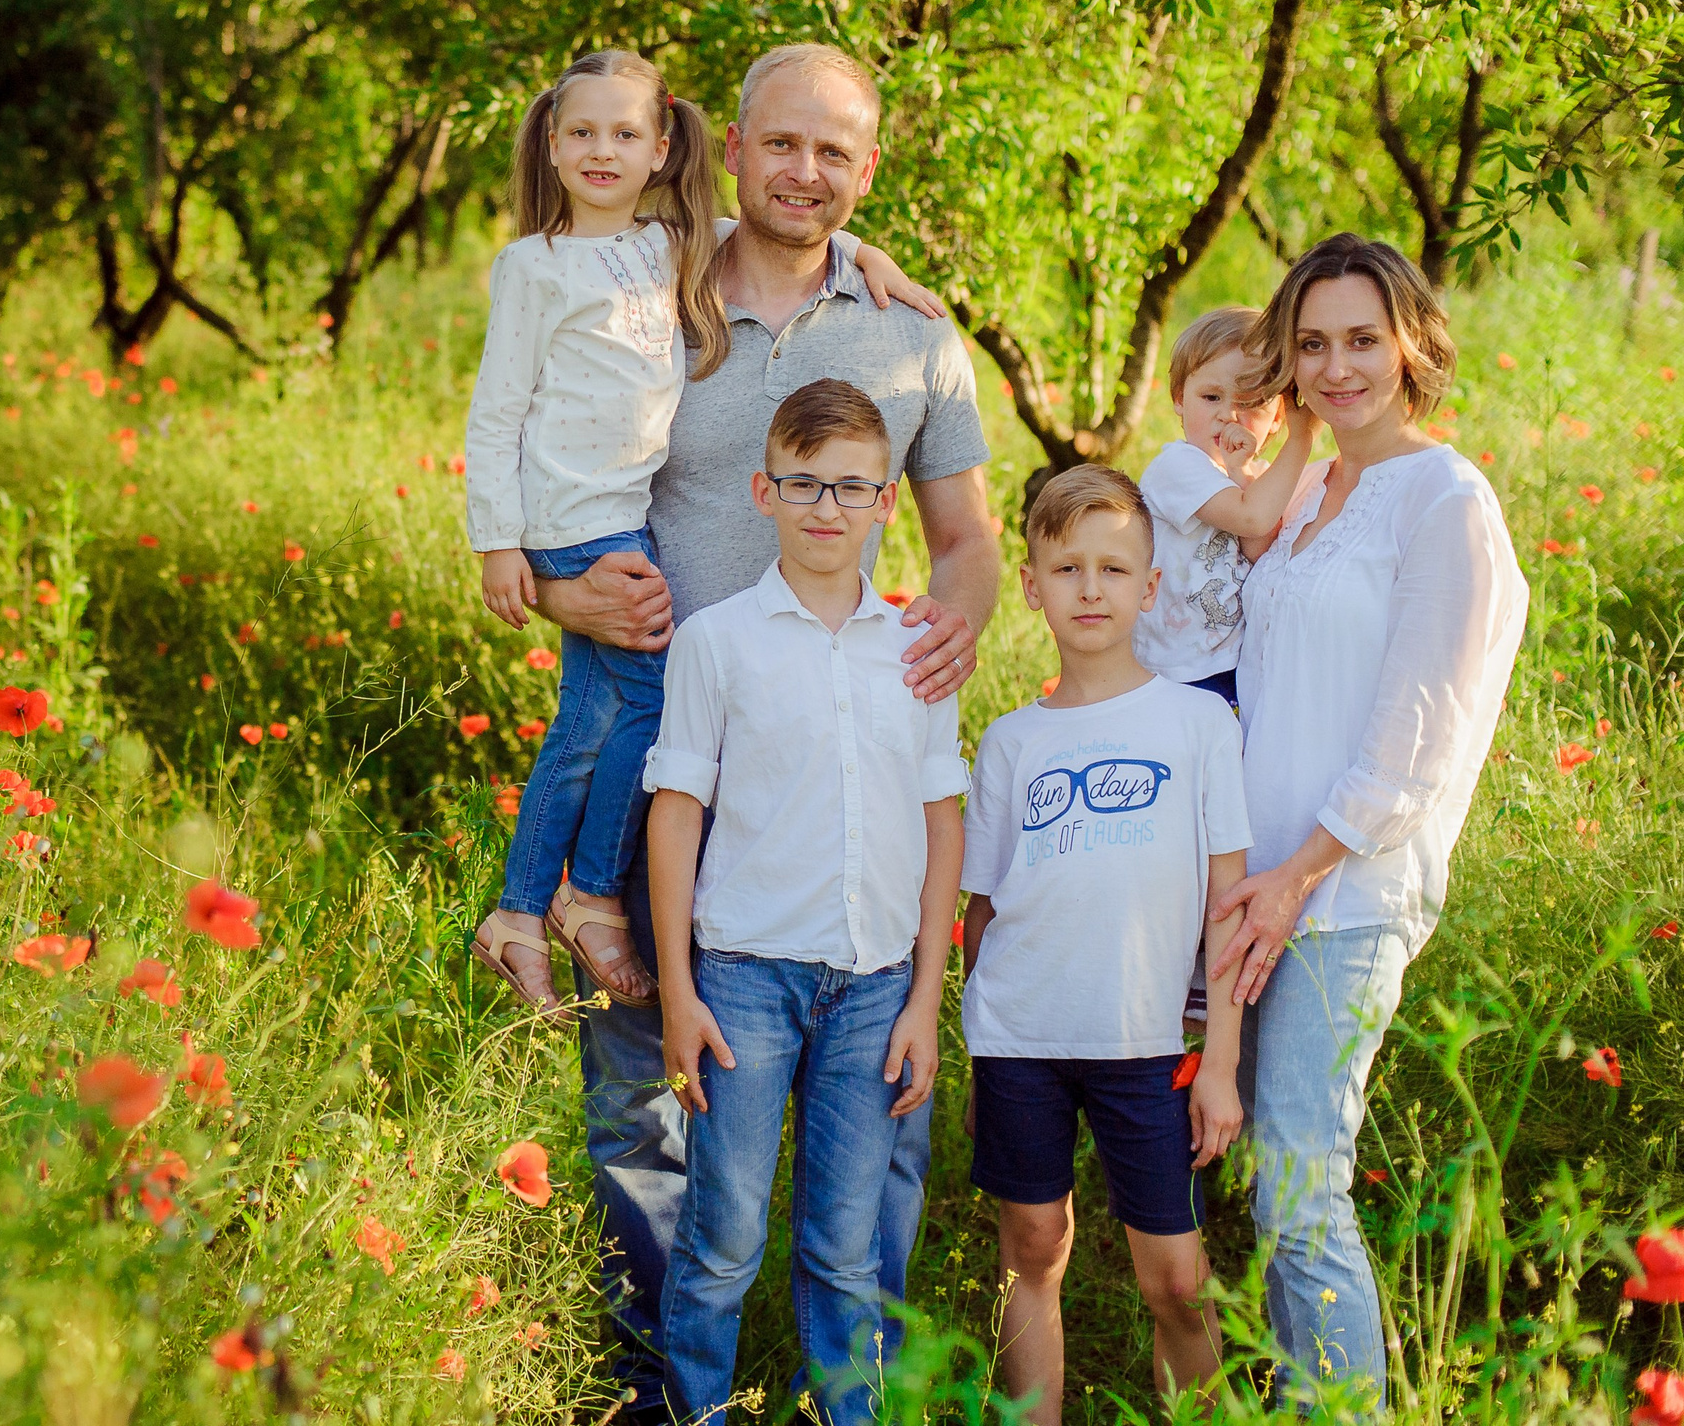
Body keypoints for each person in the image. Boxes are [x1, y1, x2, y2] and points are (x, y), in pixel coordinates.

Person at [532, 43, 999, 1418]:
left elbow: (966, 539)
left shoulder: (917, 336)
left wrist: (953, 618)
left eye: (837, 153)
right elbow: (544, 498)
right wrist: (563, 591)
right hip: (667, 765)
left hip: (851, 769)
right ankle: (659, 1388)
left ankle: (851, 1389)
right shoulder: (643, 293)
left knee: (880, 1127)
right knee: (645, 1105)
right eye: (781, 144)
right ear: (727, 146)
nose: (808, 173)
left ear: (870, 170)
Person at [463, 48, 938, 1017]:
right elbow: (497, 411)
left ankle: (526, 913)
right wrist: (514, 561)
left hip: (766, 694)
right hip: (595, 552)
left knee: (595, 723)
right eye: (778, 145)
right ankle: (579, 898)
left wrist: (862, 254)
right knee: (634, 711)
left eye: (627, 135)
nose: (802, 170)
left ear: (659, 148)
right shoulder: (569, 266)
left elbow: (792, 224)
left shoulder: (658, 251)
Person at [1208, 234, 1529, 1408]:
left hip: (1345, 886)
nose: (1336, 365)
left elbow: (1419, 726)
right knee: (1267, 1179)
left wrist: (1297, 873)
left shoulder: (1445, 497)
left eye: (1360, 339)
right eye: (1312, 342)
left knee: (1301, 1176)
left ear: (1410, 345)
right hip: (1256, 885)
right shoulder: (1302, 494)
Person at [643, 379, 967, 1425]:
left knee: (846, 1244)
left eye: (852, 488)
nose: (827, 508)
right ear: (763, 490)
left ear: (885, 501)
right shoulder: (718, 643)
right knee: (726, 1230)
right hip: (741, 981)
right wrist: (680, 992)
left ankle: (843, 1411)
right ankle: (695, 1410)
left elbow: (940, 826)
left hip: (875, 987)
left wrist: (925, 998)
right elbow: (676, 813)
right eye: (804, 485)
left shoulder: (917, 650)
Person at [959, 464, 1253, 1425]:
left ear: (1150, 586)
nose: (1091, 589)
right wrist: (978, 1024)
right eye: (1068, 567)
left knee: (1175, 1277)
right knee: (1033, 1247)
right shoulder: (1009, 743)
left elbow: (1227, 905)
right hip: (1023, 1038)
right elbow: (984, 908)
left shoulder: (1200, 724)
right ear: (1034, 585)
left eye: (1114, 569)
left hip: (1150, 1045)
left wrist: (1220, 1064)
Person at [1136, 306, 1318, 707]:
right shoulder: (1177, 467)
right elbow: (1251, 518)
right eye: (1211, 397)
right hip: (1173, 667)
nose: (1228, 415)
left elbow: (1257, 546)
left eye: (1251, 402)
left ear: (1277, 419)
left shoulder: (1257, 480)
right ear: (1179, 399)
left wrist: (1243, 472)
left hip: (1230, 665)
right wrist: (1301, 441)